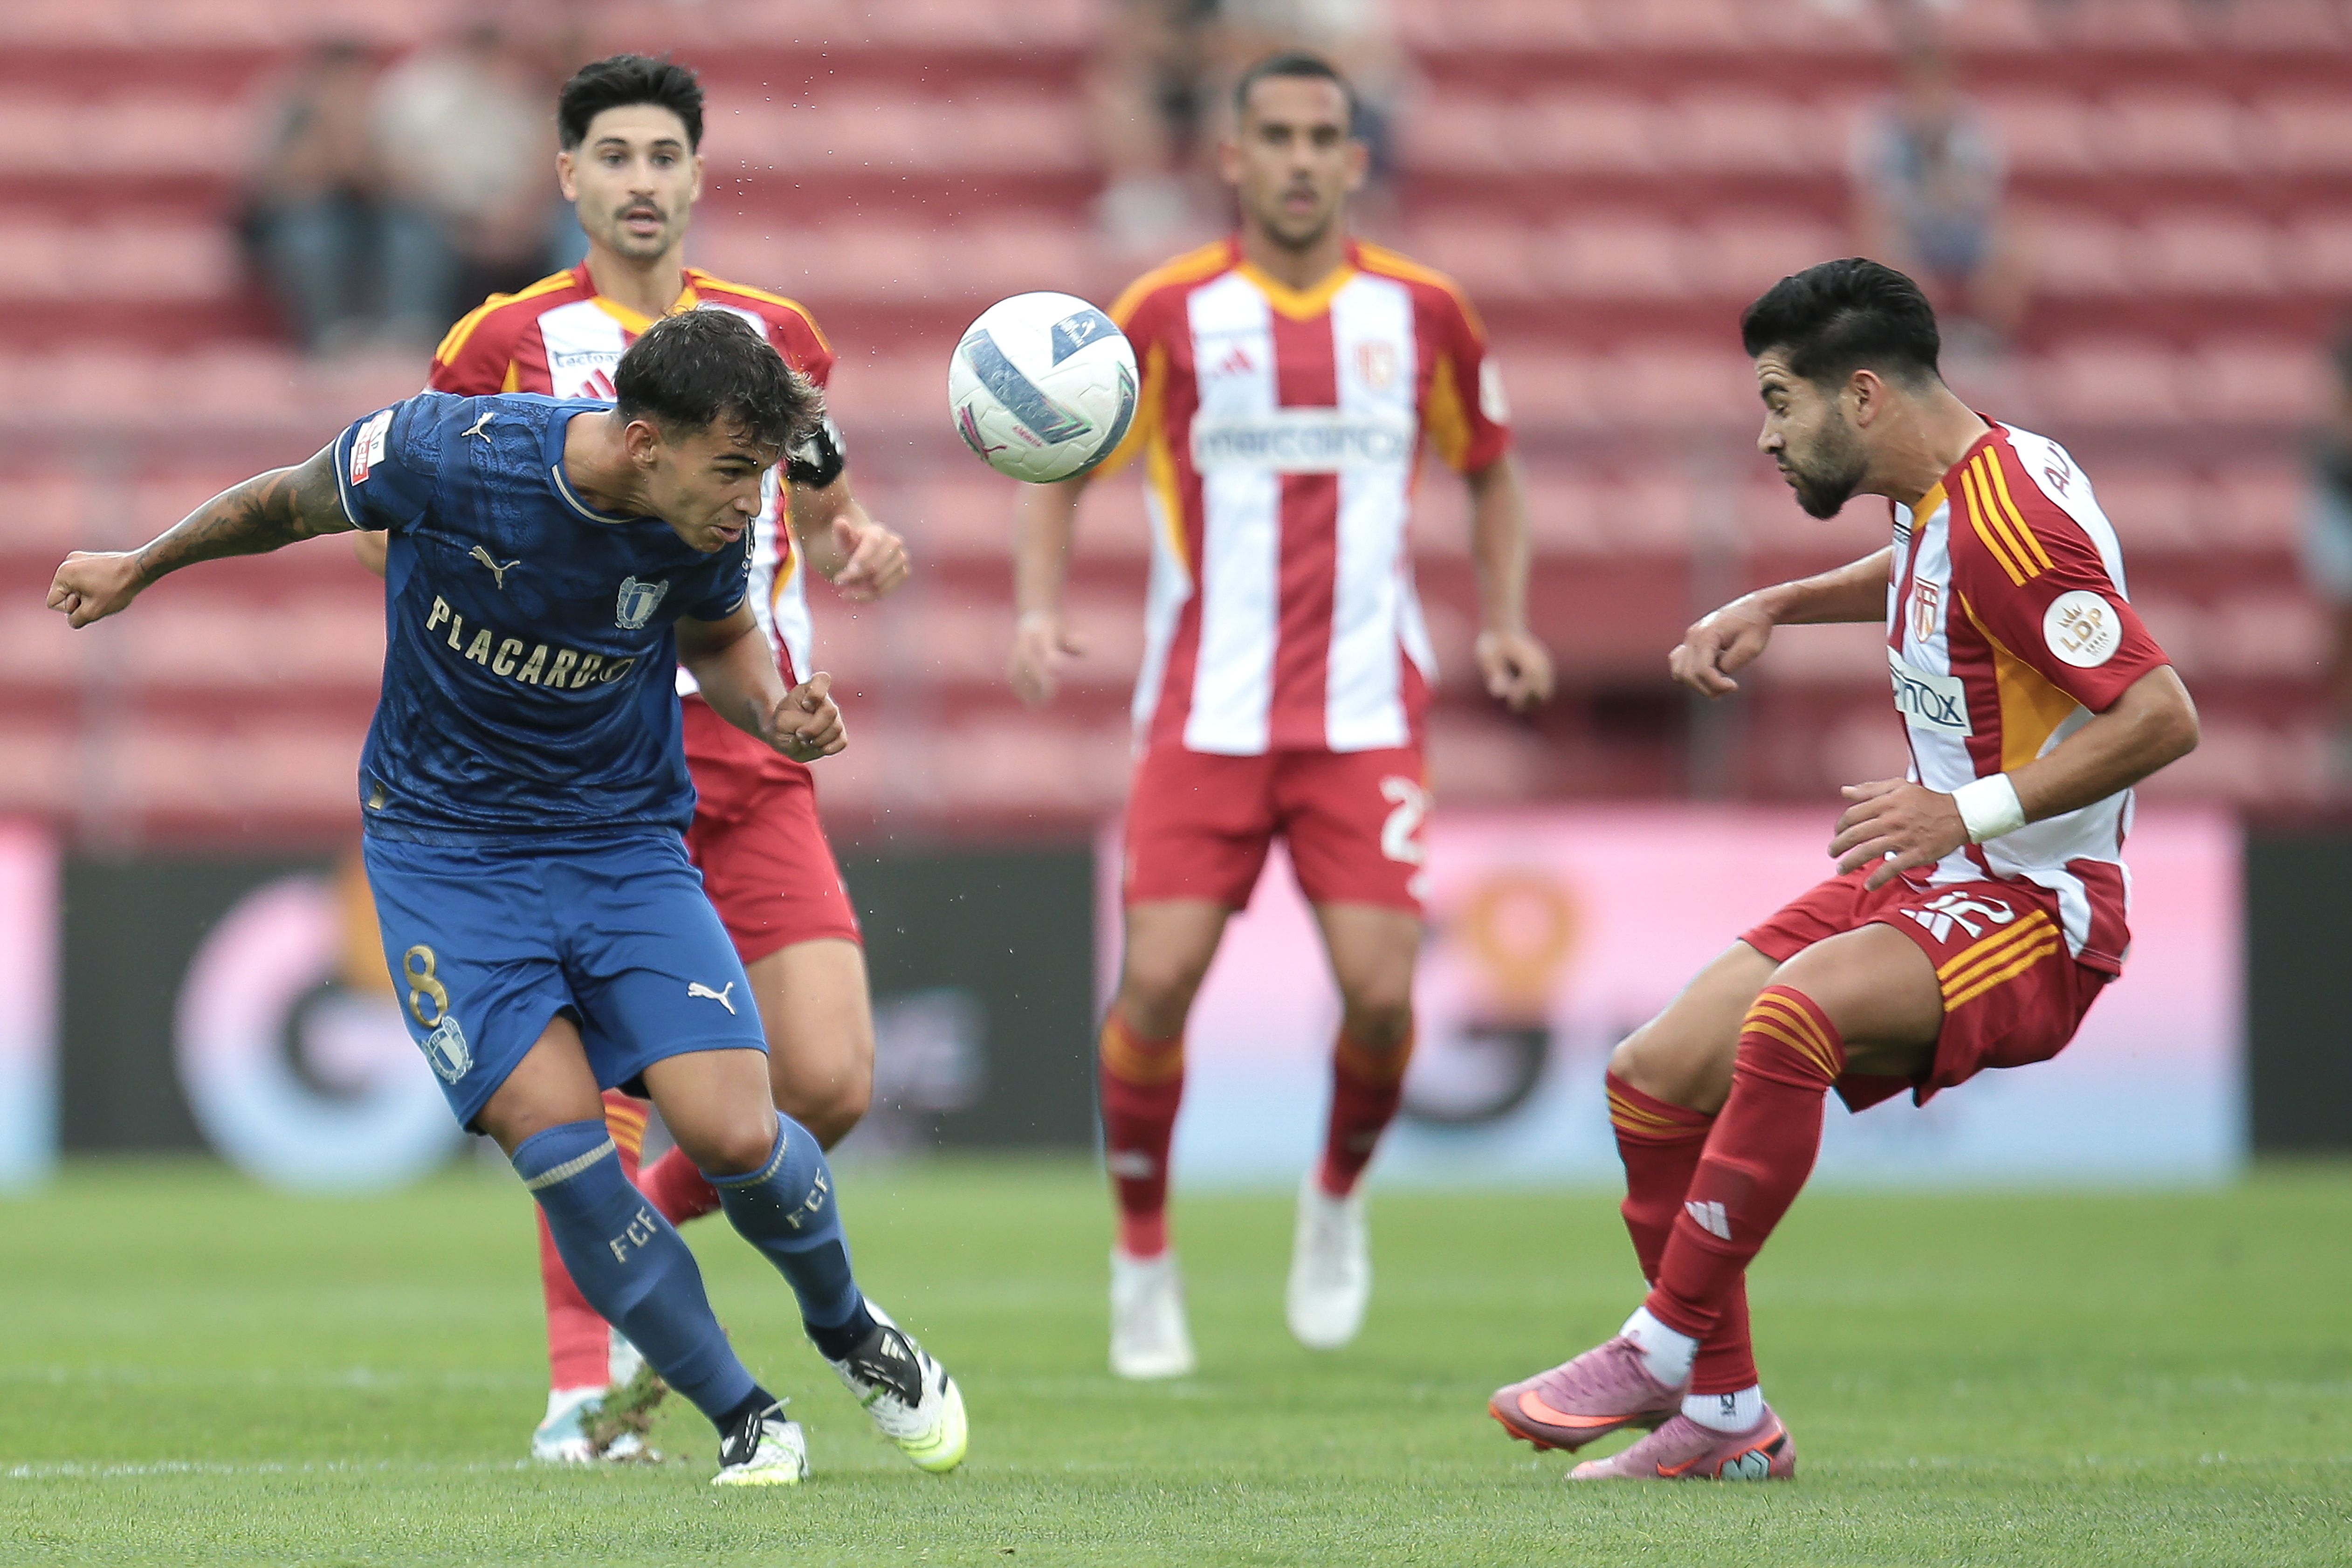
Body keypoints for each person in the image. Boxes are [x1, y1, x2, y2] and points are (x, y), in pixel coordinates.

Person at [48, 309, 966, 1488]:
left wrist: (773, 706)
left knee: (741, 1128)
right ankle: (745, 1414)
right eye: (737, 471)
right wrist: (140, 565)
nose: (754, 501)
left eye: (762, 474)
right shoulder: (447, 452)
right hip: (448, 859)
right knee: (563, 1145)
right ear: (643, 440)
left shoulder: (706, 516)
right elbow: (285, 500)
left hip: (623, 843)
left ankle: (849, 1328)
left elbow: (726, 636)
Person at [1488, 259, 2198, 1480]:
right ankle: (1724, 1417)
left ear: (1859, 394)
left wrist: (1963, 808)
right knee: (1651, 1075)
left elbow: (2159, 715)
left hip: (2037, 902)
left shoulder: (2012, 523)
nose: (1765, 436)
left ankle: (1662, 1339)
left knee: (1791, 1017)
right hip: (1935, 872)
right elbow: (1926, 570)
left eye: (1777, 401)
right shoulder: (1946, 488)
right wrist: (1776, 598)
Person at [351, 53, 913, 1463]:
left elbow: (820, 476)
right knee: (577, 1100)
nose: (643, 182)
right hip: (580, 757)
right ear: (570, 178)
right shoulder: (501, 337)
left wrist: (852, 538)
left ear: (698, 176)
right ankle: (581, 1390)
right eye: (615, 157)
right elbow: (409, 500)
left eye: (666, 157)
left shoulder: (775, 332)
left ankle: (645, 1240)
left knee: (829, 1082)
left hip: (747, 733)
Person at [1008, 51, 1555, 1379]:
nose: (1305, 157)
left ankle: (1334, 1198)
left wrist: (1501, 617)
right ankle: (1141, 1255)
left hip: (1363, 712)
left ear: (1355, 159)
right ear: (1233, 158)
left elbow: (1488, 471)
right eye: (1280, 135)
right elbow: (1057, 457)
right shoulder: (1166, 310)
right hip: (1202, 711)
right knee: (1156, 985)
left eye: (1327, 134)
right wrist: (1034, 602)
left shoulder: (1422, 313)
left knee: (1378, 999)